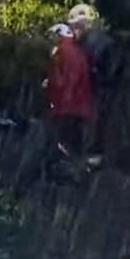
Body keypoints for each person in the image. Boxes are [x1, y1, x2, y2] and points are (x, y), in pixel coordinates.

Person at [66, 3, 118, 164]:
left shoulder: (97, 43)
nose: (75, 30)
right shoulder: (81, 44)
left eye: (78, 26)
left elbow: (108, 71)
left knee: (92, 125)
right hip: (89, 93)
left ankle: (90, 156)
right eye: (73, 26)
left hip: (96, 92)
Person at [43, 22, 94, 161]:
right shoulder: (77, 50)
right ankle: (77, 166)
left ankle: (68, 166)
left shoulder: (62, 51)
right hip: (79, 105)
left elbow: (63, 77)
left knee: (64, 143)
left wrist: (61, 95)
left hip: (66, 105)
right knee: (75, 142)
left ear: (58, 36)